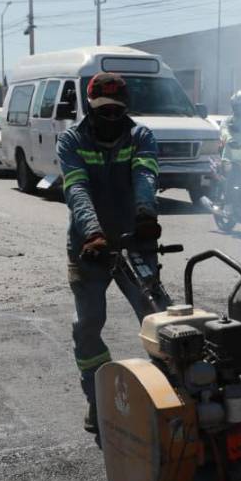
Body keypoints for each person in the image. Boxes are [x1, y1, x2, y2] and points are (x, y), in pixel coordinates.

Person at [58, 72, 162, 436]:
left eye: (116, 110)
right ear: (90, 107)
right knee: (87, 326)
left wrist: (146, 214)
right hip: (90, 248)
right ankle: (97, 399)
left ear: (126, 108)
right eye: (103, 110)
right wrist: (93, 234)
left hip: (135, 239)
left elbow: (144, 176)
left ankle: (171, 395)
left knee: (158, 317)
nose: (110, 116)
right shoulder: (72, 140)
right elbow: (77, 188)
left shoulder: (141, 137)